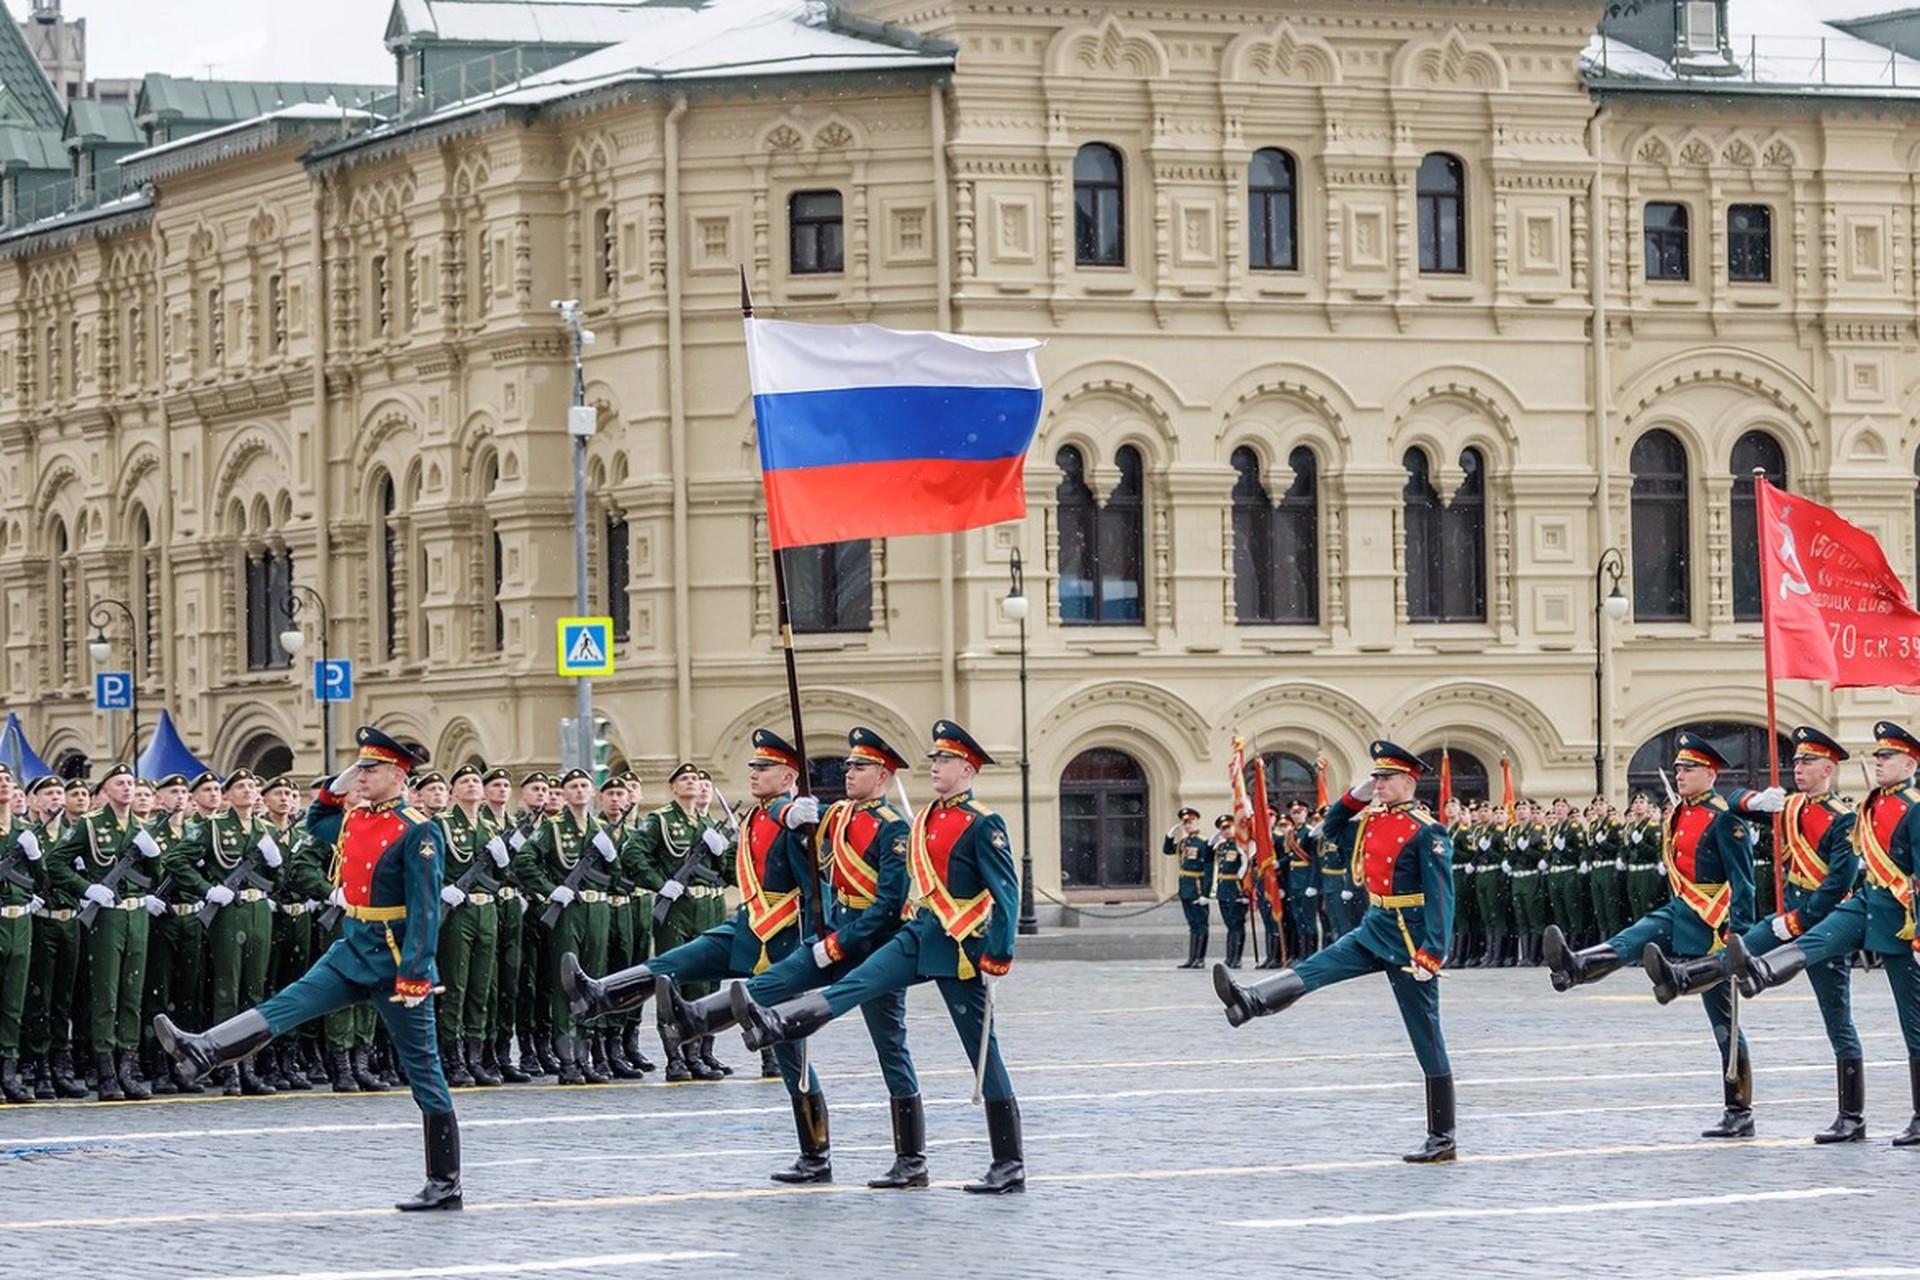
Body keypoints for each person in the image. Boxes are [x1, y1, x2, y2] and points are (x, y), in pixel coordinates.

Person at [153, 726, 462, 1212]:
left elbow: (425, 909)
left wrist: (416, 974)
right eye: (360, 768)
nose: (361, 776)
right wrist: (342, 781)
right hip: (353, 947)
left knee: (423, 1068)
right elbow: (317, 820)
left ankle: (445, 1183)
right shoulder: (357, 818)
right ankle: (205, 1049)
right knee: (288, 1003)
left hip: (395, 960)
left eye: (371, 769)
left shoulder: (418, 830)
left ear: (398, 775)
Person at [731, 720, 1025, 1194]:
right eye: (934, 759)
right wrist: (793, 812)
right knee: (861, 980)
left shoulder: (983, 822)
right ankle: (781, 1022)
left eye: (944, 760)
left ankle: (1008, 1164)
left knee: (981, 1052)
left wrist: (999, 953)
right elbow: (830, 826)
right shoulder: (926, 817)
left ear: (968, 769)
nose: (935, 766)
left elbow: (1006, 894)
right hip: (920, 933)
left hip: (961, 946)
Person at [657, 728, 929, 1187]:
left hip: (876, 945)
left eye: (859, 767)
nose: (848, 772)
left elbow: (888, 906)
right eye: (847, 765)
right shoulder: (839, 815)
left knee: (890, 1048)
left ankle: (912, 1160)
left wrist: (837, 942)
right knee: (769, 990)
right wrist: (790, 809)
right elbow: (797, 816)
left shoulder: (894, 827)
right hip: (836, 936)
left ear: (882, 777)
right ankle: (813, 1155)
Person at [566, 729, 826, 1169]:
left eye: (764, 768)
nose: (753, 773)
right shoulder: (760, 815)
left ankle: (816, 1152)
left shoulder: (789, 817)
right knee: (679, 959)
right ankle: (601, 994)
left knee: (790, 1053)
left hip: (783, 936)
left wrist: (808, 828)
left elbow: (818, 879)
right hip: (749, 924)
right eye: (753, 766)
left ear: (787, 777)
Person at [1213, 740, 1458, 1163]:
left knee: (1426, 1034)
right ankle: (1251, 1001)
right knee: (1318, 966)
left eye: (1384, 779)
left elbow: (1441, 897)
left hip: (1409, 940)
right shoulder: (1374, 820)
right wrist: (1356, 795)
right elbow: (1330, 829)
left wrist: (1432, 953)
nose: (1378, 785)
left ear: (1408, 781)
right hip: (1375, 926)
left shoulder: (1427, 831)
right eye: (1375, 778)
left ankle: (1442, 1137)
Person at [1545, 732, 1774, 1137]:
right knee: (1636, 935)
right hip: (1680, 909)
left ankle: (1739, 1110)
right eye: (1678, 768)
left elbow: (1744, 884)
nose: (1680, 774)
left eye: (1689, 769)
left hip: (1712, 924)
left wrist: (1738, 937)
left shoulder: (1725, 818)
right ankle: (1578, 966)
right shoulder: (1679, 813)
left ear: (1711, 773)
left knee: (1724, 1024)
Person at [1731, 721, 1920, 1145]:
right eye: (1878, 756)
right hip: (1868, 902)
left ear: (1910, 765)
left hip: (1901, 917)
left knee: (1914, 1022)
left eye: (1887, 757)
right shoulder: (1873, 803)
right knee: (1816, 938)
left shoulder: (1915, 808)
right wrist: (1757, 802)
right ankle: (1762, 971)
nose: (1879, 762)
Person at [1691, 726, 1861, 1142]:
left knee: (1837, 1021)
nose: (1797, 768)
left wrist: (1798, 922)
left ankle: (1852, 1116)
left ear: (1827, 769)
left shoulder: (1844, 818)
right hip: (1786, 919)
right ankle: (1683, 976)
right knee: (1735, 954)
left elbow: (1837, 885)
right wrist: (1755, 800)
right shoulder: (1789, 806)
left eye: (1806, 762)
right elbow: (1729, 803)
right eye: (1796, 761)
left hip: (1823, 925)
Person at [43, 764, 167, 1101]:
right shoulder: (90, 825)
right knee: (106, 996)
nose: (127, 788)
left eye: (130, 783)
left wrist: (154, 857)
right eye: (120, 783)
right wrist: (86, 888)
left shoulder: (141, 827)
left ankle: (127, 1069)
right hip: (106, 917)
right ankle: (106, 1072)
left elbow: (155, 877)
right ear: (106, 790)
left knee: (132, 996)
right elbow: (55, 863)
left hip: (136, 916)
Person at [167, 769, 284, 1096]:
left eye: (252, 785)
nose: (248, 790)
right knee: (227, 991)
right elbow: (176, 860)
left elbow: (280, 880)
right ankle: (228, 1068)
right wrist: (207, 889)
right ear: (228, 794)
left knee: (254, 993)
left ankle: (250, 1068)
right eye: (240, 786)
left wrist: (277, 864)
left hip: (259, 911)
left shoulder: (265, 830)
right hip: (229, 912)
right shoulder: (213, 827)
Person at [514, 768, 620, 1085]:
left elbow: (617, 876)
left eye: (584, 785)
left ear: (592, 792)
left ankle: (586, 1058)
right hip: (568, 910)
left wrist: (612, 856)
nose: (579, 791)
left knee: (593, 982)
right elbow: (524, 860)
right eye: (572, 786)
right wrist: (551, 890)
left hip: (597, 909)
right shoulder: (553, 827)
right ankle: (568, 1061)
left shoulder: (600, 828)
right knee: (567, 983)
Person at [1164, 807, 1212, 969]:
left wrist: (1205, 893)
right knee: (1192, 924)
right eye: (1185, 823)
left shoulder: (1203, 843)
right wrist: (1170, 835)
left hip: (1197, 887)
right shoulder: (1184, 843)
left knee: (1201, 924)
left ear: (1197, 822)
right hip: (1186, 888)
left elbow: (1208, 870)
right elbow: (1167, 850)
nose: (1188, 825)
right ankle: (1192, 958)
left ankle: (1200, 958)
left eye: (1190, 822)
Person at [1213, 815, 1250, 969]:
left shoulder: (1241, 845)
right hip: (1223, 889)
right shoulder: (1221, 846)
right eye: (1223, 829)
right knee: (1229, 925)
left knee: (1237, 924)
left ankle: (1237, 958)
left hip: (1236, 888)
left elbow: (1246, 865)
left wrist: (1244, 886)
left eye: (1229, 827)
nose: (1226, 831)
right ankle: (1230, 956)